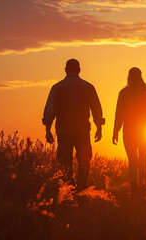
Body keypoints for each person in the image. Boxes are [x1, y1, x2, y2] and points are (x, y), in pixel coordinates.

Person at [43, 59, 105, 191]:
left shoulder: (57, 88)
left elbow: (50, 110)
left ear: (65, 70)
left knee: (65, 163)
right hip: (82, 131)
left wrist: (47, 130)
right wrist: (99, 128)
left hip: (64, 131)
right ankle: (82, 191)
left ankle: (68, 192)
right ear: (79, 70)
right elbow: (96, 109)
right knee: (84, 162)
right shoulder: (88, 87)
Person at [113, 67, 146, 195]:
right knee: (143, 161)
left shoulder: (124, 93)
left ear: (129, 77)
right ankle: (143, 188)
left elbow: (119, 115)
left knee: (133, 161)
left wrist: (115, 132)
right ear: (141, 77)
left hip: (129, 129)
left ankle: (134, 189)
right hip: (145, 129)